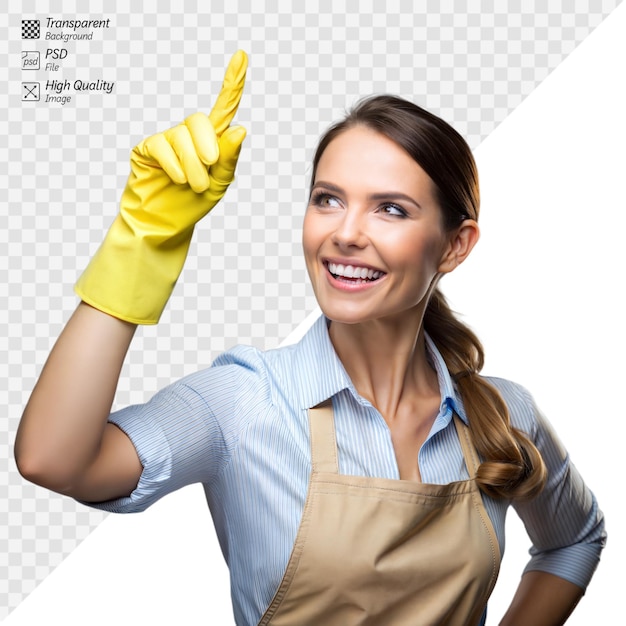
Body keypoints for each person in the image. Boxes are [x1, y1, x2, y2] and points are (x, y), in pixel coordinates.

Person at [15, 50, 605, 626]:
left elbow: (573, 541)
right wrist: (140, 242)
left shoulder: (503, 417)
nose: (345, 233)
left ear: (455, 245)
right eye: (328, 199)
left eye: (391, 210)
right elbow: (53, 460)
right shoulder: (243, 402)